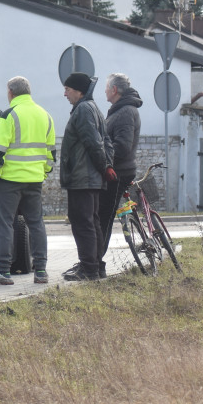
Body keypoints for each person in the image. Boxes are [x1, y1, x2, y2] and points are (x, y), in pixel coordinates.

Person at [0, 76, 56, 286]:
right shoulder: (45, 115)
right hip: (34, 180)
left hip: (9, 181)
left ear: (10, 92)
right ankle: (40, 270)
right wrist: (42, 172)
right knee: (36, 223)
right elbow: (52, 153)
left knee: (4, 224)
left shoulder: (8, 116)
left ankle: (3, 271)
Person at [59, 72, 115, 282]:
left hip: (82, 178)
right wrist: (106, 166)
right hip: (92, 178)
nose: (65, 93)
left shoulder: (83, 109)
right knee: (92, 222)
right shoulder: (94, 108)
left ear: (79, 91)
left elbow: (94, 142)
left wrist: (104, 166)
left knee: (83, 223)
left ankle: (89, 269)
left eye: (68, 89)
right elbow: (107, 142)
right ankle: (96, 266)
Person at [92, 72, 142, 278]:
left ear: (114, 90)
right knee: (103, 215)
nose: (104, 90)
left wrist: (102, 156)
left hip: (118, 173)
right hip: (117, 171)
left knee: (104, 217)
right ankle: (94, 261)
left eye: (106, 87)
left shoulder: (124, 113)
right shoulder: (120, 110)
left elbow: (121, 147)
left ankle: (96, 264)